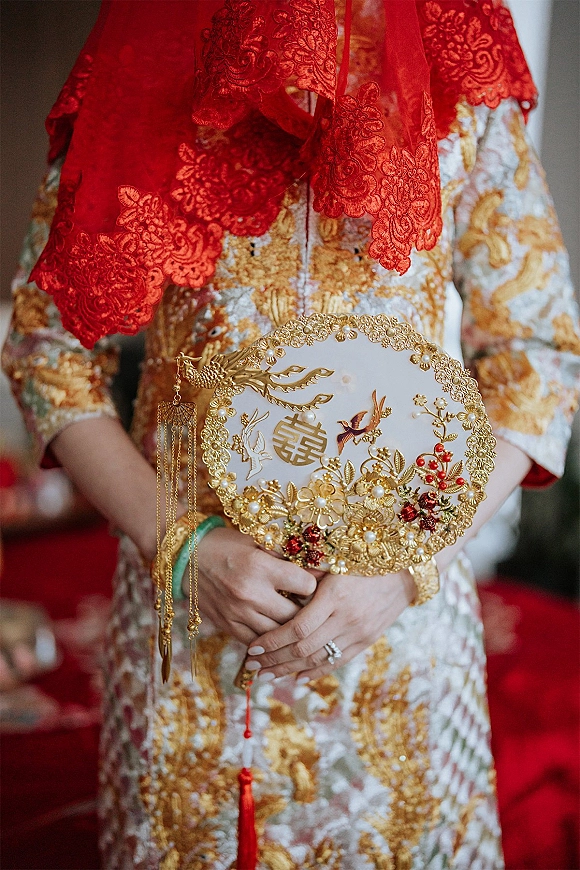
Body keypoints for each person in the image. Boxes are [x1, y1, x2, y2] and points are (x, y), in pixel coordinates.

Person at [3, 1, 580, 867]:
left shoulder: (458, 63)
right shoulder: (151, 53)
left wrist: (409, 564)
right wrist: (181, 549)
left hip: (398, 630)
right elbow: (46, 349)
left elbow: (537, 355)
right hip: (186, 622)